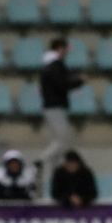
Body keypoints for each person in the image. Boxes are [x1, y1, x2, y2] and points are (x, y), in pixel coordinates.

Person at [38, 37, 84, 175]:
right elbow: (62, 84)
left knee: (56, 142)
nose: (67, 51)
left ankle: (52, 174)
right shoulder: (55, 65)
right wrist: (79, 81)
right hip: (55, 107)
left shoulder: (49, 65)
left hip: (51, 107)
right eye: (65, 48)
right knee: (62, 141)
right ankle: (40, 160)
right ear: (59, 48)